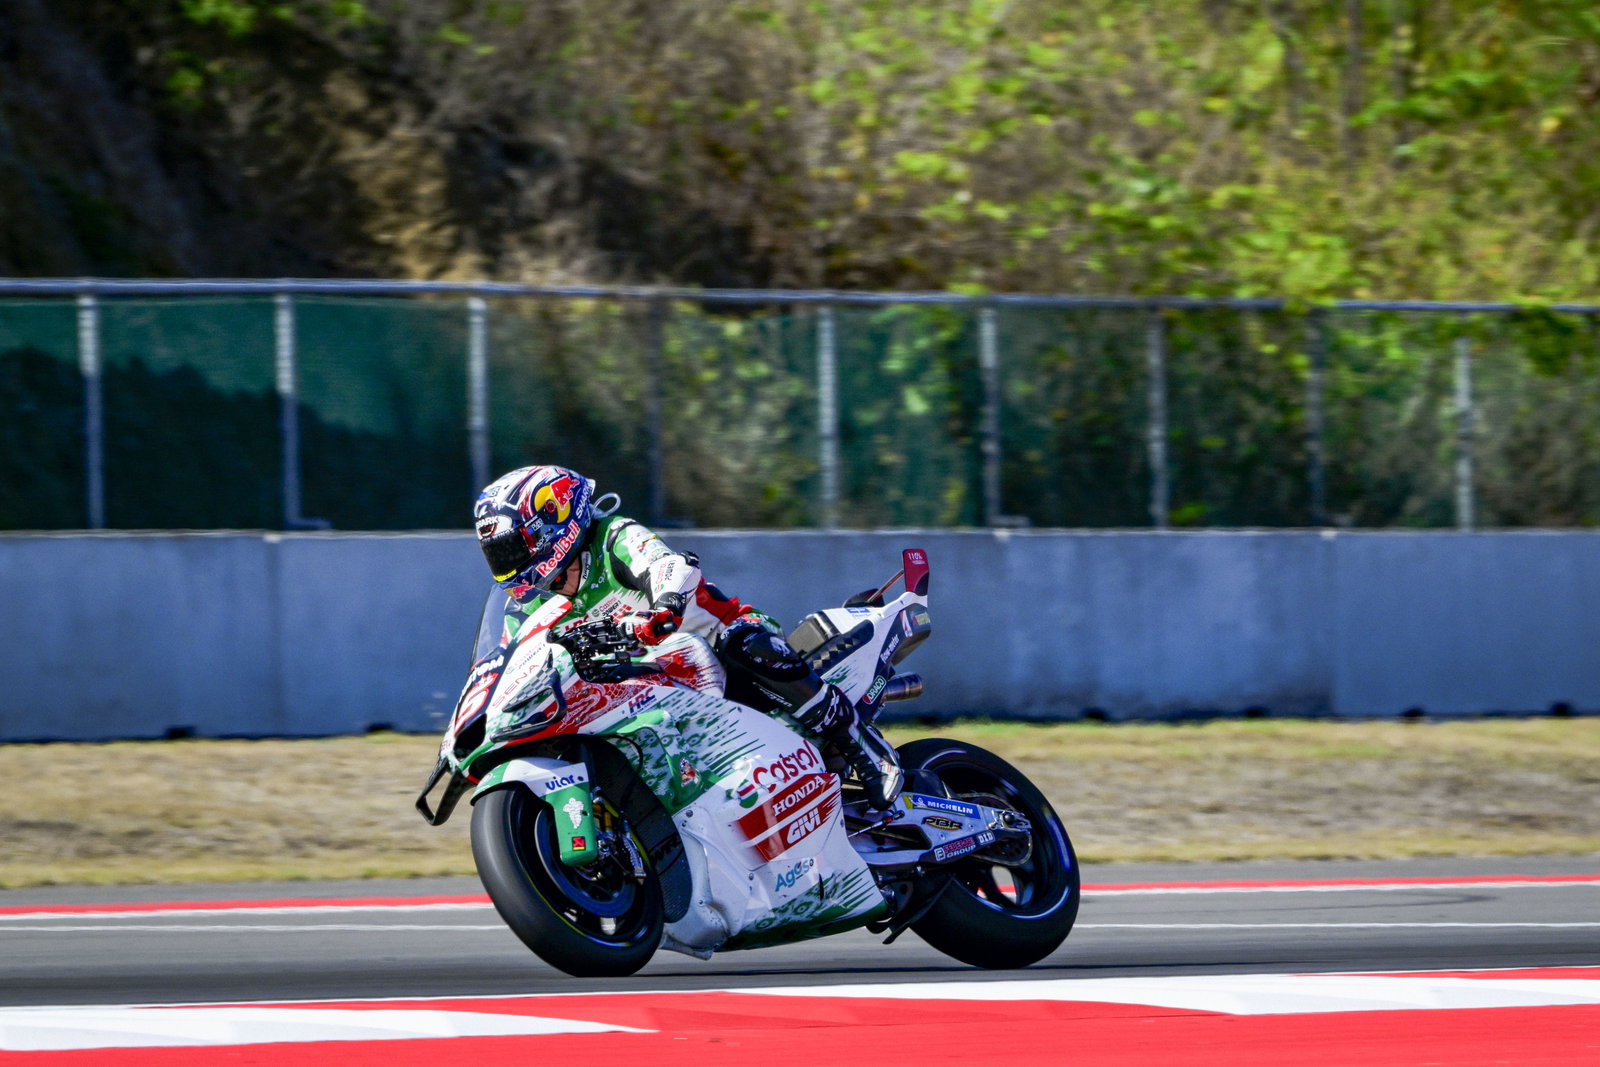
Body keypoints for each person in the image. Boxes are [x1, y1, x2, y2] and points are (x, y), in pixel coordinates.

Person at [473, 463, 903, 808]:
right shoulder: (530, 604)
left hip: (723, 645)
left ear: (553, 519)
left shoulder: (612, 539)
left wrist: (665, 606)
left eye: (511, 549)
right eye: (498, 556)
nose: (507, 565)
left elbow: (668, 566)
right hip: (650, 683)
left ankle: (862, 746)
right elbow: (518, 658)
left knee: (742, 643)